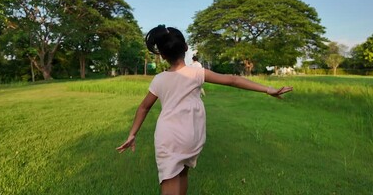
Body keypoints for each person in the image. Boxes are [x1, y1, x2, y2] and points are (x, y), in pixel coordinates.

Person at [116, 25, 293, 195]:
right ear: (185, 48)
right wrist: (267, 89)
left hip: (169, 138)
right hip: (192, 136)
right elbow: (232, 80)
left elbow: (144, 107)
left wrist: (132, 134)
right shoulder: (196, 73)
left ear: (162, 55)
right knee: (183, 174)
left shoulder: (159, 80)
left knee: (169, 182)